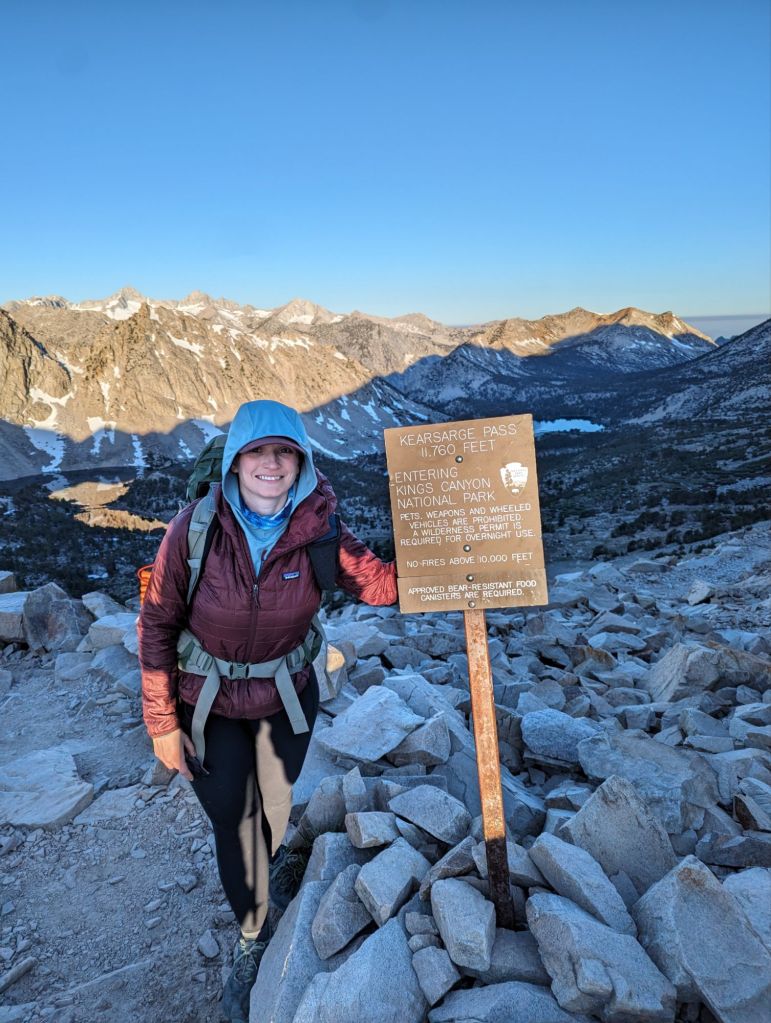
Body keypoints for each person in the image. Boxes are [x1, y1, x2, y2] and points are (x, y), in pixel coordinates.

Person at [139, 399, 397, 1021]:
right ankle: (253, 933)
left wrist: (464, 565)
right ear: (235, 461)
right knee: (234, 819)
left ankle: (272, 863)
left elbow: (379, 585)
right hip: (207, 705)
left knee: (274, 815)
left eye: (284, 452)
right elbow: (157, 624)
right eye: (258, 451)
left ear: (301, 462)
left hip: (286, 695)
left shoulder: (320, 527)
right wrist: (162, 724)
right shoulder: (194, 529)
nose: (271, 464)